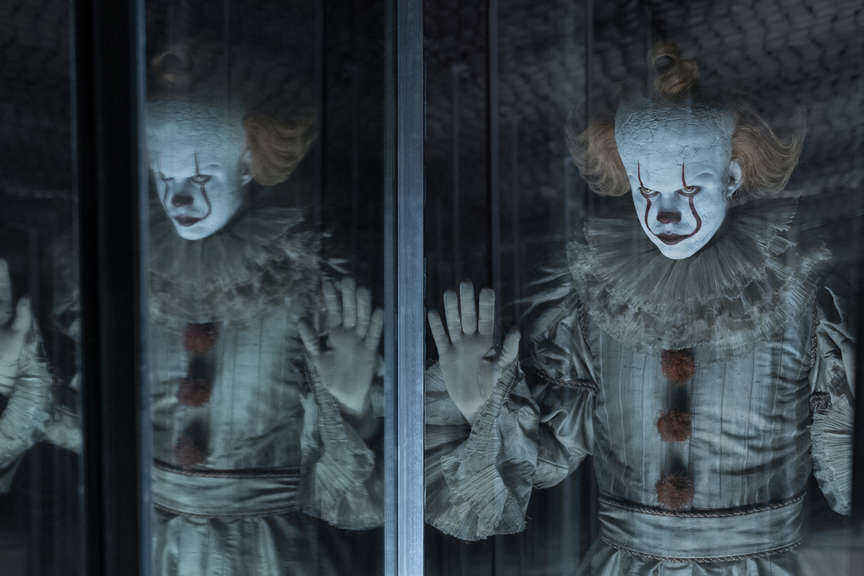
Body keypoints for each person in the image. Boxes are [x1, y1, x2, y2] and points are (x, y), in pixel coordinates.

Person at [425, 43, 856, 574]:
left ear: (732, 177)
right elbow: (549, 453)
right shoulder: (595, 299)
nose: (666, 214)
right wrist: (481, 408)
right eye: (647, 191)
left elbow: (844, 474)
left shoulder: (799, 294)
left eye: (690, 187)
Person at [145, 47, 383, 575]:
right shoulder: (138, 279)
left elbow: (351, 477)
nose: (178, 199)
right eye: (165, 179)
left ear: (248, 167)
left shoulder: (310, 276)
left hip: (272, 550)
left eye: (201, 179)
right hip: (159, 545)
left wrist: (349, 402)